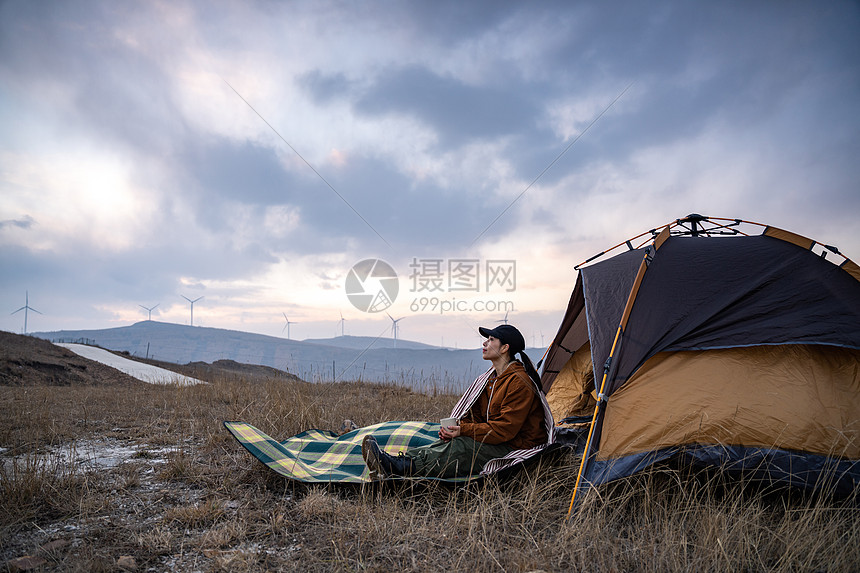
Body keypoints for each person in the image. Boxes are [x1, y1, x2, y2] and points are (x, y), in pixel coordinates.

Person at [362, 324, 549, 479]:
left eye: (491, 339)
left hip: (515, 446)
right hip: (498, 439)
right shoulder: (491, 379)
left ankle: (401, 469)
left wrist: (464, 431)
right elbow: (475, 416)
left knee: (462, 447)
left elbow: (505, 430)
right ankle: (397, 463)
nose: (485, 343)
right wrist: (457, 428)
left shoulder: (519, 382)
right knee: (447, 443)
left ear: (505, 348)